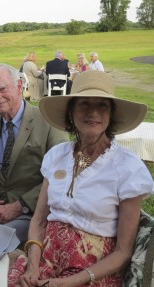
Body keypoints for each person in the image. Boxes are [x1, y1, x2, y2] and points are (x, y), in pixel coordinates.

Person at [8, 70, 154, 287]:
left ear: (111, 113)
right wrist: (33, 265)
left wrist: (71, 282)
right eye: (84, 103)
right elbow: (39, 220)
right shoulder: (56, 156)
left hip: (93, 271)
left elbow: (123, 252)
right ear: (71, 112)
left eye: (102, 105)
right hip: (44, 258)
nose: (93, 112)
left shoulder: (128, 168)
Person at [0, 64, 69, 242]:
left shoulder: (49, 123)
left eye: (2, 88)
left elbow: (61, 176)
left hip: (33, 215)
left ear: (19, 86)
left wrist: (19, 206)